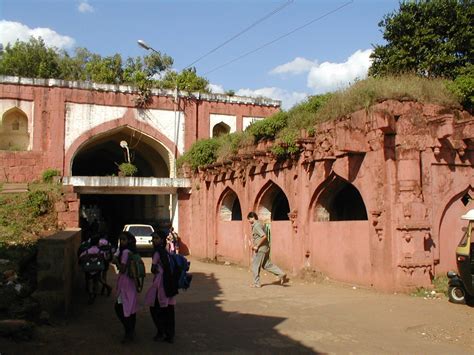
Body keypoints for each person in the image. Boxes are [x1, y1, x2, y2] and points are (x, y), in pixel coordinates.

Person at [145, 230, 178, 344]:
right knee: (169, 311)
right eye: (153, 238)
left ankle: (161, 332)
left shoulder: (157, 252)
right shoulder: (167, 252)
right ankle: (170, 335)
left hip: (160, 285)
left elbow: (153, 269)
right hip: (169, 284)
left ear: (162, 239)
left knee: (155, 309)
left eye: (157, 238)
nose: (154, 240)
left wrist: (157, 269)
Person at [247, 211, 287, 288]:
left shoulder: (256, 226)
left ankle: (256, 283)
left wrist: (257, 246)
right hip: (265, 248)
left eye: (249, 219)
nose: (249, 221)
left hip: (261, 249)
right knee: (266, 265)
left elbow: (264, 236)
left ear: (253, 218)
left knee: (255, 266)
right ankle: (281, 273)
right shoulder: (260, 224)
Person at [113, 231, 139, 344]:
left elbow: (122, 269)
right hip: (131, 283)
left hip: (125, 283)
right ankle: (130, 331)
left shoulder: (125, 253)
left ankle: (128, 331)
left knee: (120, 307)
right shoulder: (132, 251)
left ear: (128, 240)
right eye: (121, 240)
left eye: (124, 239)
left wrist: (116, 263)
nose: (122, 242)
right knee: (131, 308)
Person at [78, 234, 104, 304]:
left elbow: (80, 257)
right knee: (96, 282)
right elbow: (104, 258)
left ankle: (90, 294)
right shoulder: (100, 251)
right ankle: (95, 294)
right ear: (97, 243)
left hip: (88, 269)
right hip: (97, 268)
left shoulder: (87, 251)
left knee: (89, 282)